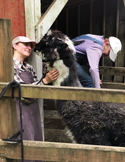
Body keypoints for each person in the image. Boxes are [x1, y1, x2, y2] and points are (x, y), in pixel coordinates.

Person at [12, 36, 59, 162]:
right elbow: (23, 92)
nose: (29, 48)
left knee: (36, 138)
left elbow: (36, 89)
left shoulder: (29, 68)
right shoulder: (9, 66)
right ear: (15, 45)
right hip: (20, 110)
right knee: (25, 142)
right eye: (25, 44)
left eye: (30, 46)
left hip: (33, 110)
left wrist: (46, 81)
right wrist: (45, 81)